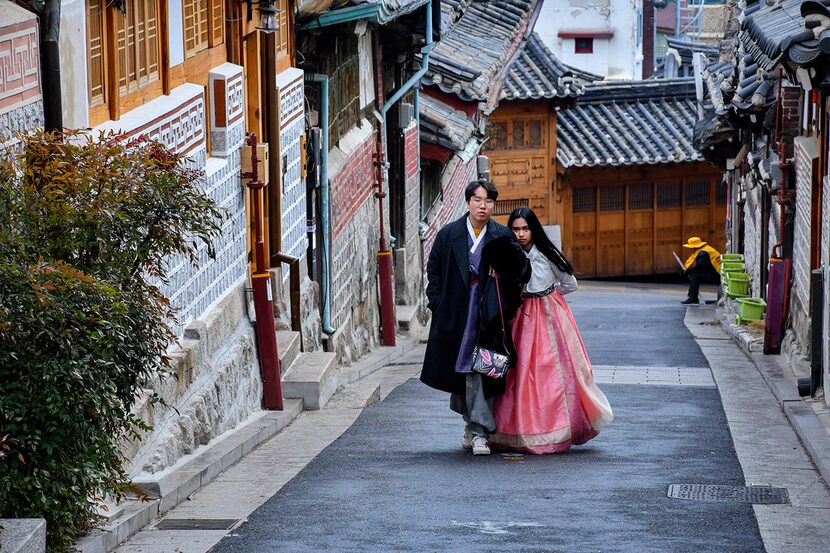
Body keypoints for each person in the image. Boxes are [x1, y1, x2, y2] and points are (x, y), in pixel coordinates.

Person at [490, 207, 613, 454]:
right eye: (516, 229)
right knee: (519, 373)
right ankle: (516, 430)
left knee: (551, 375)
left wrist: (550, 296)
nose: (521, 234)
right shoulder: (508, 255)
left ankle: (552, 429)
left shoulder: (547, 254)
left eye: (526, 228)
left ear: (534, 229)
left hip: (548, 316)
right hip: (519, 315)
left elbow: (570, 284)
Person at [421, 180, 528, 456]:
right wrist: (437, 303)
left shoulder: (501, 235)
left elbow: (520, 273)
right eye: (478, 200)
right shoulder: (449, 234)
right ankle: (471, 423)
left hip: (488, 316)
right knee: (463, 370)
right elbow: (433, 270)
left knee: (482, 369)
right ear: (468, 202)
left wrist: (506, 299)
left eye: (489, 201)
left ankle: (479, 431)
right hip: (456, 313)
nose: (483, 205)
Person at [680, 236, 721, 305]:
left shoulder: (703, 253)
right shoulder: (706, 249)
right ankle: (693, 298)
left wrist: (689, 271)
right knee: (695, 274)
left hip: (718, 276)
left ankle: (693, 298)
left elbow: (701, 268)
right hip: (719, 274)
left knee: (695, 276)